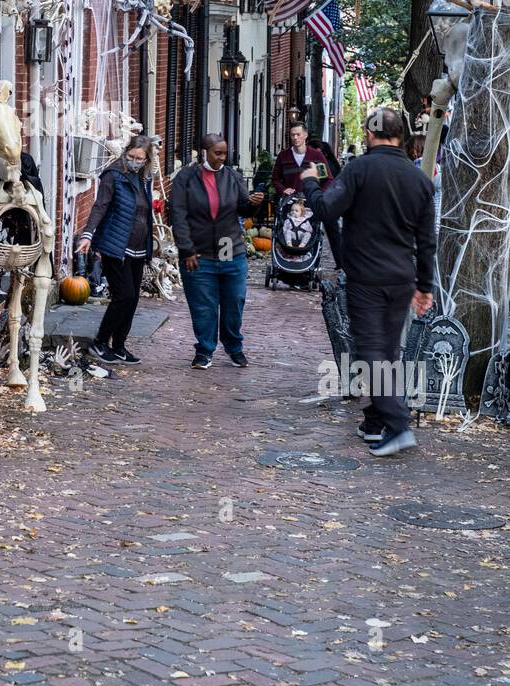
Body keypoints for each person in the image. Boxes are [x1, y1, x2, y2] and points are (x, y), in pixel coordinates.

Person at [300, 105, 435, 457]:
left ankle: (398, 424)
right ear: (400, 135)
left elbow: (327, 210)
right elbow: (427, 240)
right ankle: (376, 422)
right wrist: (425, 286)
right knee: (388, 351)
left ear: (370, 135)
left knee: (371, 350)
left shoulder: (359, 169)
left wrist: (310, 182)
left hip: (366, 277)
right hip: (402, 277)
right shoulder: (420, 179)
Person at [168, 134, 265, 370]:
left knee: (234, 301)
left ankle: (234, 347)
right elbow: (177, 215)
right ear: (204, 152)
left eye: (224, 153)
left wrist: (254, 202)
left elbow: (244, 210)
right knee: (203, 305)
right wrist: (187, 249)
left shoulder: (233, 176)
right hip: (198, 253)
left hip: (229, 248)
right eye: (217, 153)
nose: (222, 158)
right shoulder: (186, 178)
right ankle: (204, 350)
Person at [76, 136, 154, 365]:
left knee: (133, 299)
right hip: (115, 245)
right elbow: (100, 206)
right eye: (131, 157)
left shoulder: (144, 179)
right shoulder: (113, 175)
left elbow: (144, 213)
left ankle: (119, 345)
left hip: (138, 248)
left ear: (146, 159)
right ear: (126, 152)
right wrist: (88, 234)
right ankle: (100, 342)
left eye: (140, 159)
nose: (134, 162)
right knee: (124, 295)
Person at [271, 122, 343, 268]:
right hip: (290, 204)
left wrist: (319, 195)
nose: (295, 138)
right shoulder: (284, 156)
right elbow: (275, 179)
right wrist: (283, 189)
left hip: (311, 204)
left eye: (298, 134)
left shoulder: (316, 156)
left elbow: (328, 179)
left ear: (305, 135)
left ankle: (315, 264)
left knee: (311, 232)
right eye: (293, 135)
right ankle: (287, 262)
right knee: (288, 231)